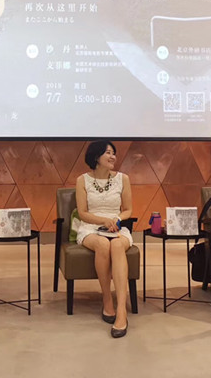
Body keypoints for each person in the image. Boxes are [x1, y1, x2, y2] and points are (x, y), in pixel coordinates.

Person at [75, 141, 133, 338]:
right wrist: (103, 221)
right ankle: (107, 300)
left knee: (116, 245)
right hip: (91, 226)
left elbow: (128, 210)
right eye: (108, 153)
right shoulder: (82, 180)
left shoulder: (123, 179)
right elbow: (82, 213)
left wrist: (116, 220)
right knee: (102, 244)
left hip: (117, 226)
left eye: (113, 153)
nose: (113, 156)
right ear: (96, 157)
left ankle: (121, 310)